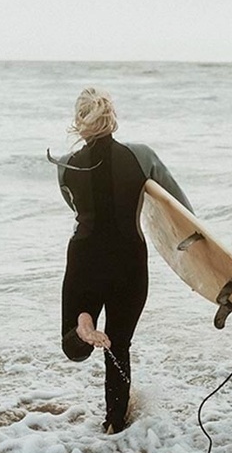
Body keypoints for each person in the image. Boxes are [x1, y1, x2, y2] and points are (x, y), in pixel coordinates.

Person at [54, 87, 192, 434]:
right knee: (119, 344)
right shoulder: (141, 156)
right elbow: (180, 207)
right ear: (112, 116)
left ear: (79, 121)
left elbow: (76, 207)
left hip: (84, 257)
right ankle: (115, 424)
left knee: (74, 345)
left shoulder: (65, 166)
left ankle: (84, 321)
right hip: (129, 258)